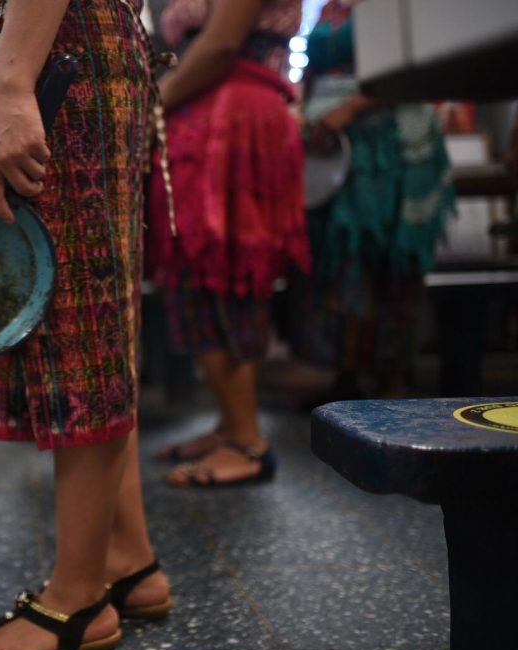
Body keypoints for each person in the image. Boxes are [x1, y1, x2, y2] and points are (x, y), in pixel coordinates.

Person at [0, 0, 171, 650]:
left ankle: (78, 599)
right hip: (40, 50)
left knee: (77, 331)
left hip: (47, 53)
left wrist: (11, 85)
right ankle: (127, 559)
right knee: (91, 316)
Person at [146, 0, 309, 487]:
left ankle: (247, 441)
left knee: (229, 274)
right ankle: (228, 426)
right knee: (195, 276)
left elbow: (220, 44)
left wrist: (152, 104)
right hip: (201, 112)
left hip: (234, 114)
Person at [290, 0, 455, 403]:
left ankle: (391, 377)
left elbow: (421, 70)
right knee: (341, 258)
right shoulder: (330, 8)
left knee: (387, 259)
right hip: (334, 143)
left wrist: (348, 109)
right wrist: (305, 114)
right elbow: (313, 72)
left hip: (391, 143)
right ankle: (348, 372)